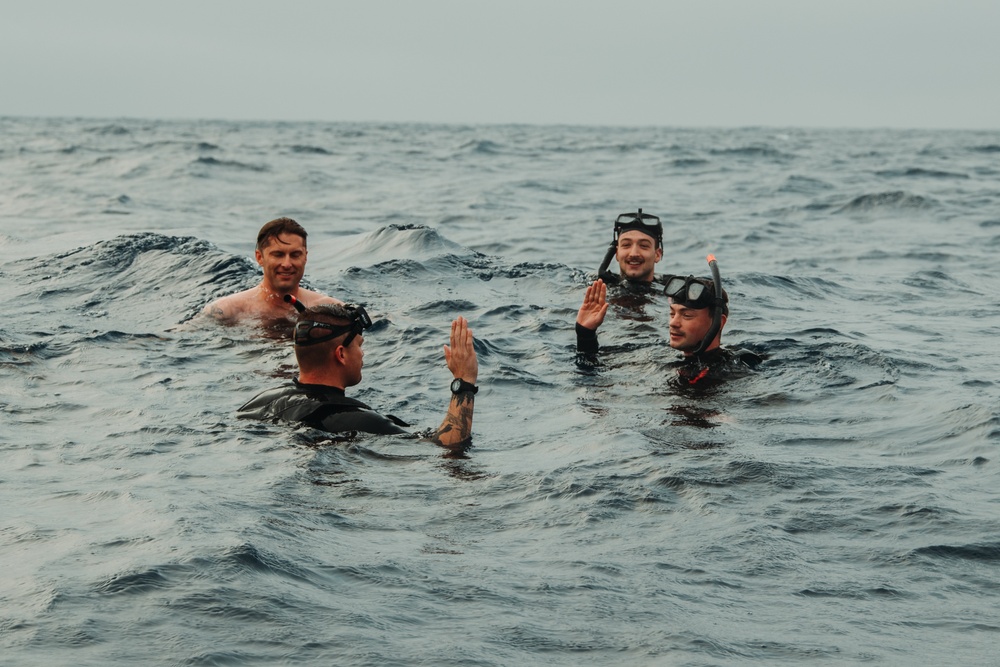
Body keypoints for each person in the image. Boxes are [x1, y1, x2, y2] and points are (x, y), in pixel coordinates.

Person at [239, 304, 480, 448]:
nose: (363, 354)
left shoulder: (262, 399)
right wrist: (464, 381)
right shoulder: (358, 421)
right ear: (341, 354)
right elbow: (447, 447)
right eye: (359, 345)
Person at [577, 255, 760, 385]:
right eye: (672, 313)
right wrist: (586, 334)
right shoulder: (660, 356)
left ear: (718, 322)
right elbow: (592, 374)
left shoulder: (736, 371)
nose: (673, 323)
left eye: (687, 315)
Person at [202, 217, 342, 324]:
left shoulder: (332, 309)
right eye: (278, 255)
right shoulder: (227, 311)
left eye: (295, 255)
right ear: (259, 257)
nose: (287, 264)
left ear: (305, 257)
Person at [596, 208, 665, 286]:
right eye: (626, 245)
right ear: (617, 253)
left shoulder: (673, 293)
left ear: (657, 255)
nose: (633, 253)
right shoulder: (596, 287)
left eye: (643, 246)